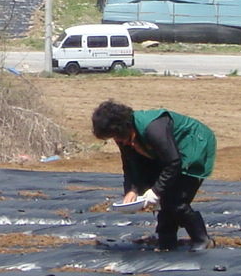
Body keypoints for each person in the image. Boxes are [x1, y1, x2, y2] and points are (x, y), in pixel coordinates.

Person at [91, 99, 217, 251]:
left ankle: (202, 239)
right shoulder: (122, 135)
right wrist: (132, 190)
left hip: (192, 146)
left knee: (176, 201)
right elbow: (130, 165)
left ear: (123, 127)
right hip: (167, 155)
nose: (118, 141)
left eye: (116, 137)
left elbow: (173, 162)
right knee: (164, 201)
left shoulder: (153, 128)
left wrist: (155, 191)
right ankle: (167, 243)